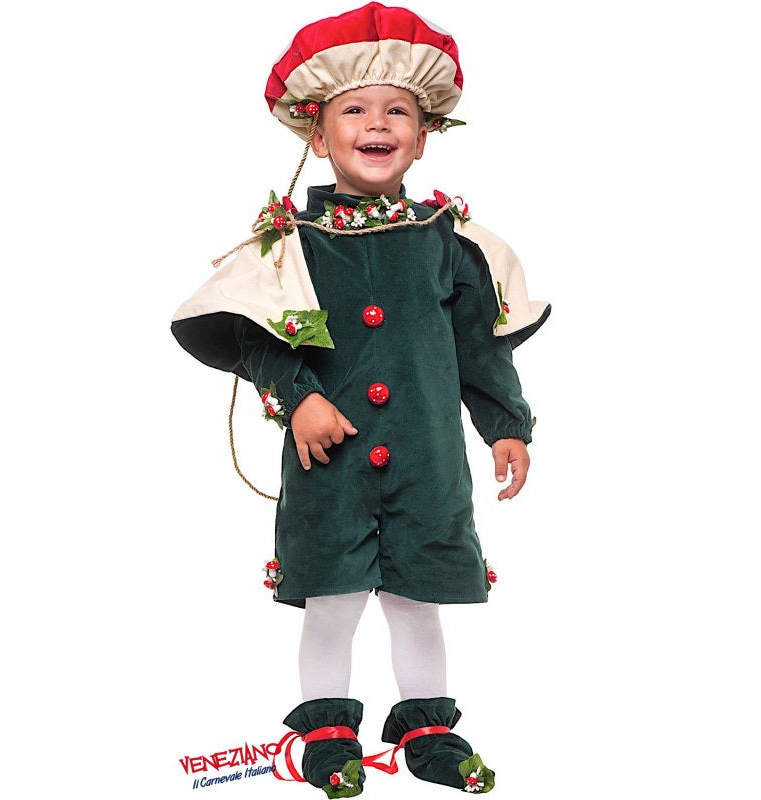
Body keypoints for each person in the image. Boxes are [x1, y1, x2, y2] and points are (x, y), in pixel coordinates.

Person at [171, 3, 550, 796]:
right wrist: (299, 397)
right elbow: (258, 336)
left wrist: (505, 427)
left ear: (423, 136)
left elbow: (480, 347)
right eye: (354, 110)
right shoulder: (292, 246)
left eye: (397, 112)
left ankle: (430, 733)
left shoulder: (450, 243)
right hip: (331, 469)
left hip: (426, 464)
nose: (376, 124)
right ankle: (327, 735)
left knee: (417, 603)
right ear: (317, 134)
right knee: (334, 604)